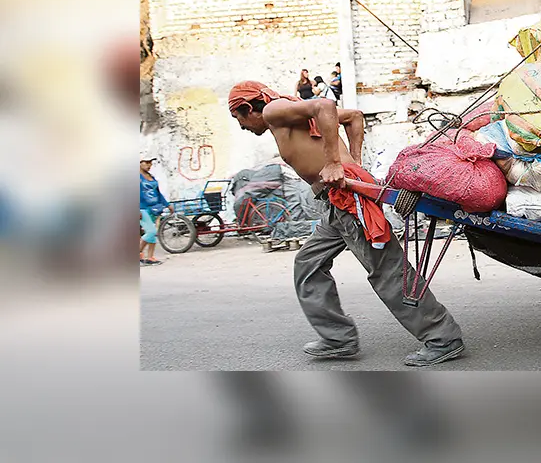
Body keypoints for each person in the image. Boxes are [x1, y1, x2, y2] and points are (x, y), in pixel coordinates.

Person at [227, 80, 465, 366]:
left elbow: (324, 105)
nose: (241, 126)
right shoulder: (289, 113)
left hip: (347, 200)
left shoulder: (274, 110)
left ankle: (442, 338)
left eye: (238, 117)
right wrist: (354, 161)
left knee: (386, 269)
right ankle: (338, 339)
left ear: (247, 108)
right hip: (334, 203)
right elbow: (354, 117)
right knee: (308, 263)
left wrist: (335, 163)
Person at [140, 156, 172, 266]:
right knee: (151, 232)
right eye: (146, 162)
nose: (149, 165)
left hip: (154, 208)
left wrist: (167, 205)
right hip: (142, 208)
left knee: (152, 233)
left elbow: (158, 193)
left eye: (150, 163)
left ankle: (150, 257)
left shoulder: (151, 177)